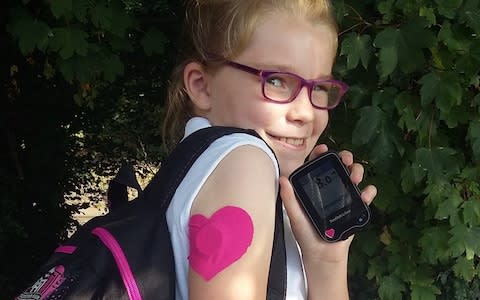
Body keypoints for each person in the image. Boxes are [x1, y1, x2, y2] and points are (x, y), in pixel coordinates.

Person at [162, 0, 377, 299]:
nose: (305, 113)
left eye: (319, 88)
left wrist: (326, 260)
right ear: (202, 86)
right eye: (276, 81)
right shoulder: (246, 161)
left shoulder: (198, 171)